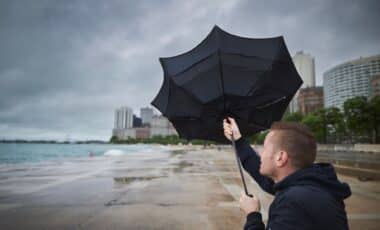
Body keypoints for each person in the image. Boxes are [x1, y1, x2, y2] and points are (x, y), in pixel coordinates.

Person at [223, 117, 351, 230]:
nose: (260, 153)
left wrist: (253, 216)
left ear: (280, 157)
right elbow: (265, 180)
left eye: (265, 148)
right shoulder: (309, 186)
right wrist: (238, 140)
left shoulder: (293, 203)